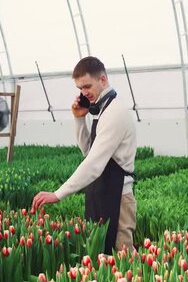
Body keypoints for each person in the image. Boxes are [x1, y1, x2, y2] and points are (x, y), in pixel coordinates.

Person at [32, 56, 137, 254]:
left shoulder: (114, 112)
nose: (83, 93)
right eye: (80, 88)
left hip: (118, 200)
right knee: (102, 258)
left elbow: (94, 164)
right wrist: (79, 120)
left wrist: (58, 194)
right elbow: (90, 152)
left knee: (123, 261)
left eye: (87, 86)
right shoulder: (101, 108)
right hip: (102, 193)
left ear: (103, 80)